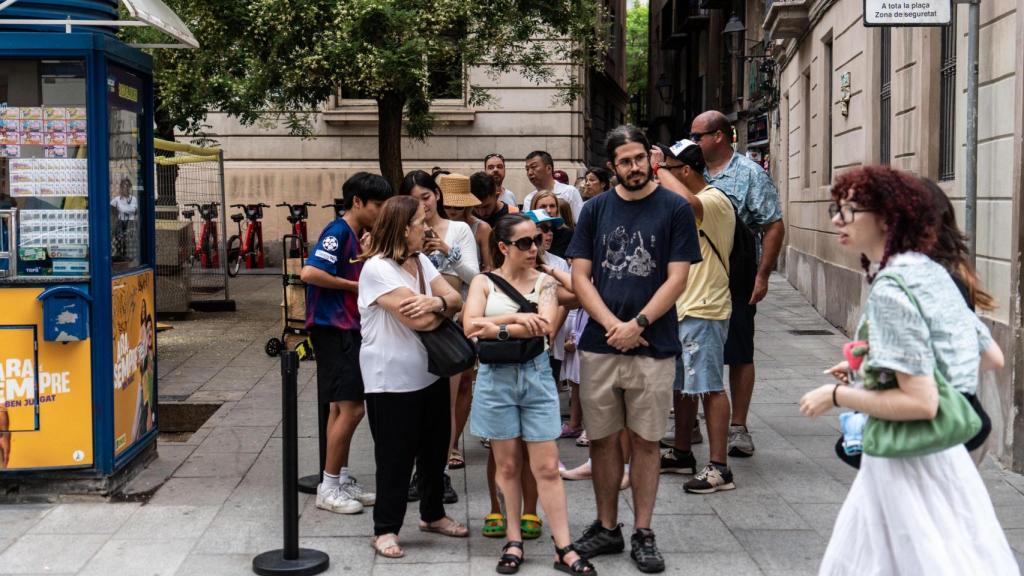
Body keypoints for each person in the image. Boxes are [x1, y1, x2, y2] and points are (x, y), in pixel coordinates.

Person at [798, 165, 1017, 575]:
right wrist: (877, 361)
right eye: (836, 209)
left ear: (888, 218)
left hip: (908, 460)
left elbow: (921, 402)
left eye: (850, 210)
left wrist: (835, 395)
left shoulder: (894, 286)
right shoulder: (928, 271)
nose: (837, 220)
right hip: (940, 456)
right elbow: (983, 355)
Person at [567, 125, 701, 573]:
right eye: (625, 161)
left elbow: (677, 279)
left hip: (654, 345)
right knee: (602, 440)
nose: (635, 167)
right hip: (601, 344)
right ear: (613, 167)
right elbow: (580, 276)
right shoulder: (595, 209)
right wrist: (613, 326)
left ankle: (643, 531)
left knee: (646, 441)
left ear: (650, 158)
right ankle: (607, 527)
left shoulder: (675, 209)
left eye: (640, 158)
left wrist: (638, 324)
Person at [464, 213, 596, 576]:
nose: (533, 248)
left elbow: (547, 328)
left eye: (536, 240)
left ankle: (564, 547)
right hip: (496, 379)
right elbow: (469, 325)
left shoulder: (546, 283)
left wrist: (495, 326)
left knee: (547, 467)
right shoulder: (483, 282)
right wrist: (518, 321)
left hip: (536, 376)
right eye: (524, 243)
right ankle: (513, 540)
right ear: (503, 247)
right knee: (507, 466)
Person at [358, 195, 469, 558]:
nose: (427, 228)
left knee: (435, 451)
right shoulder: (377, 269)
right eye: (421, 222)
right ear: (404, 229)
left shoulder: (420, 260)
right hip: (390, 380)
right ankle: (385, 529)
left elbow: (456, 298)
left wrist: (436, 302)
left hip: (429, 373)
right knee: (395, 457)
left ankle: (432, 515)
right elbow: (418, 320)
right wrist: (441, 308)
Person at [690, 110, 785, 458]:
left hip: (737, 274)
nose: (693, 142)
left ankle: (738, 427)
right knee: (694, 345)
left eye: (698, 136)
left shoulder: (749, 174)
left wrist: (762, 275)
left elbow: (773, 225)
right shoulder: (691, 171)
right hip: (696, 275)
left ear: (719, 135)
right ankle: (689, 423)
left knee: (740, 349)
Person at [301, 172, 392, 515]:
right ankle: (328, 487)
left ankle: (338, 479)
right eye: (378, 205)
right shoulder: (338, 232)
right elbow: (310, 273)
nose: (382, 212)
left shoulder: (356, 234)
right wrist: (356, 287)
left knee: (340, 409)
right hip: (334, 330)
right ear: (357, 201)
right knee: (352, 409)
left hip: (346, 329)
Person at [650, 140, 736, 493]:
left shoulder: (715, 200)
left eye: (669, 169)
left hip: (705, 307)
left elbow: (687, 202)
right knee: (683, 386)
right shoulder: (682, 205)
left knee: (709, 386)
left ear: (685, 171)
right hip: (681, 307)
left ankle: (719, 467)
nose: (661, 177)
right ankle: (682, 451)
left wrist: (657, 168)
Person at [400, 171, 480, 499]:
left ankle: (440, 471)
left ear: (437, 195)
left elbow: (475, 277)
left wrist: (446, 249)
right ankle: (419, 470)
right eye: (415, 200)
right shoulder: (403, 232)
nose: (423, 205)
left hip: (449, 324)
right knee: (414, 401)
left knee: (446, 401)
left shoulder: (459, 229)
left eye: (427, 197)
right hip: (412, 324)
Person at [523, 151, 585, 223]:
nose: (530, 173)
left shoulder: (569, 192)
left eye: (533, 167)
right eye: (527, 169)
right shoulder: (528, 199)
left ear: (549, 168)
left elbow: (581, 223)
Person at [530, 191, 573, 259]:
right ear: (534, 208)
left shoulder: (567, 234)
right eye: (543, 206)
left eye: (552, 206)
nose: (548, 210)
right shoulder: (526, 232)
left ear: (557, 209)